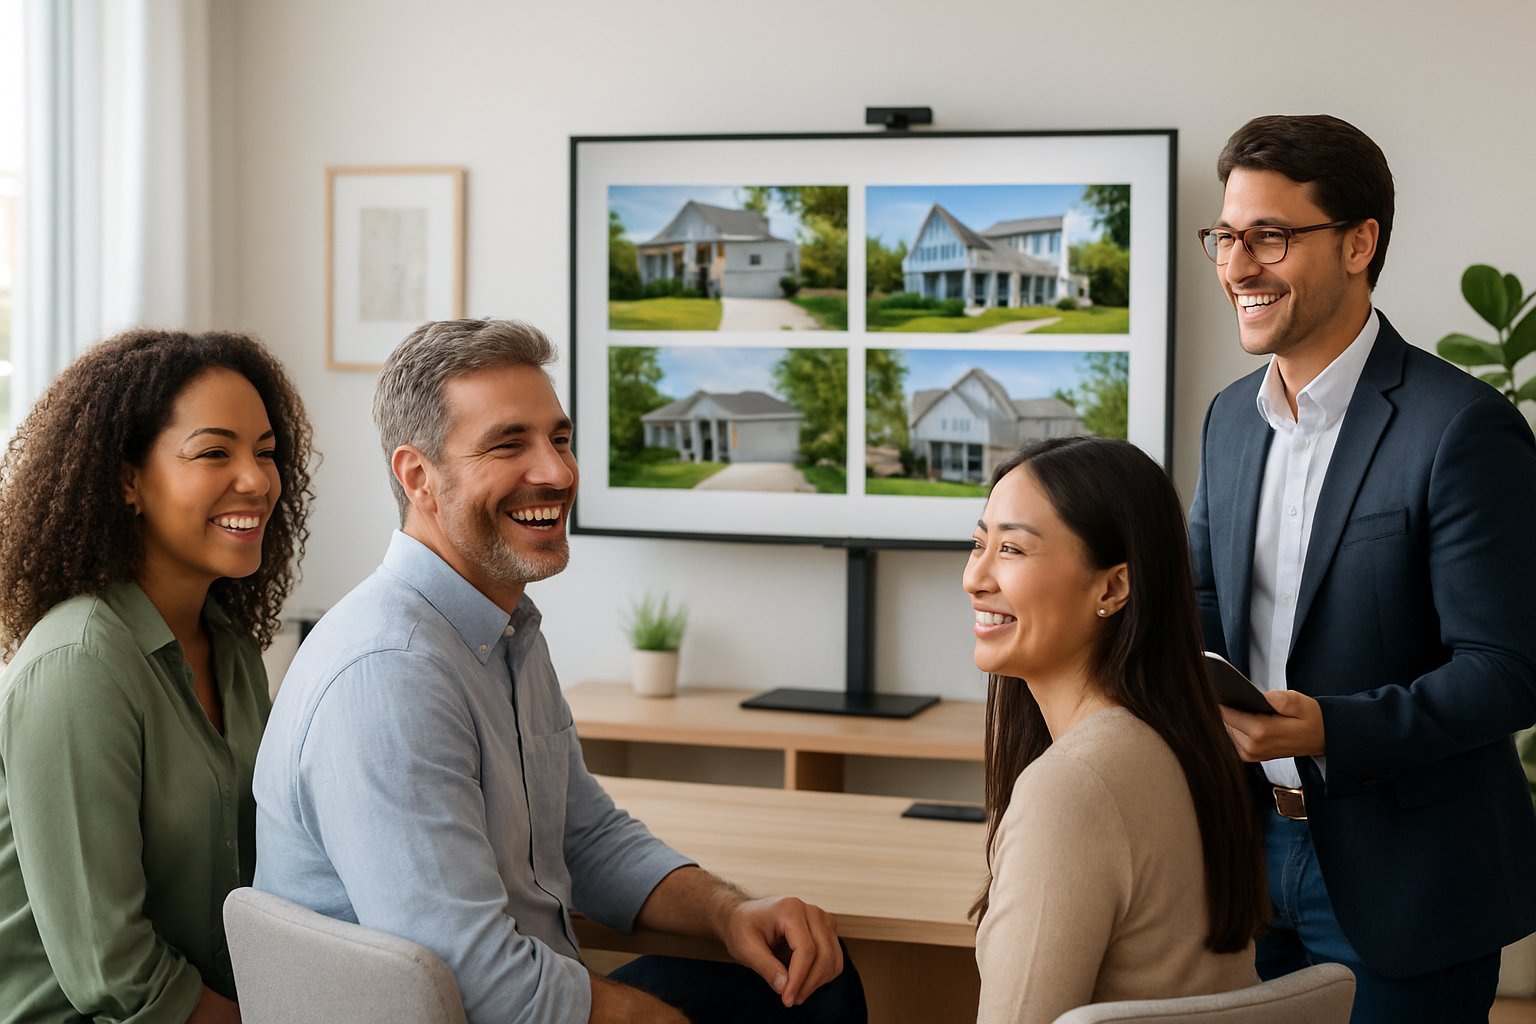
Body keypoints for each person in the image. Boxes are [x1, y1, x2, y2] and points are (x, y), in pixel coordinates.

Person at [252, 318, 864, 1024]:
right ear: (419, 477)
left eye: (560, 439)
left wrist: (730, 912)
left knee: (817, 983)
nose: (559, 472)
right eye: (509, 444)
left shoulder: (501, 622)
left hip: (526, 989)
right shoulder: (388, 676)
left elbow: (582, 833)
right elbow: (476, 982)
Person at [1190, 114, 1536, 1022]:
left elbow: (1508, 671)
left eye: (1269, 236)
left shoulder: (1459, 428)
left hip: (1406, 886)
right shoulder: (1230, 419)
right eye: (1225, 237)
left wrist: (1329, 730)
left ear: (1359, 242)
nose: (1236, 266)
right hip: (1247, 858)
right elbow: (1201, 604)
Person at [0, 329, 315, 1024]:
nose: (258, 480)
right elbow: (113, 972)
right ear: (126, 480)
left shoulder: (230, 646)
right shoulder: (77, 665)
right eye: (214, 453)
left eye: (266, 452)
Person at [963, 436, 1264, 1024]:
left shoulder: (1072, 787)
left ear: (1112, 588)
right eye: (979, 544)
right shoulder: (1177, 741)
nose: (976, 577)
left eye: (1012, 550)